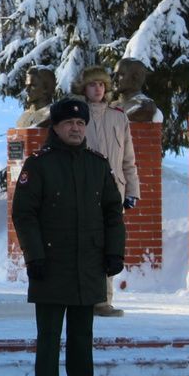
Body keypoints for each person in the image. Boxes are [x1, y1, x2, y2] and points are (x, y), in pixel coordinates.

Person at [11, 98, 125, 376]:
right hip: (50, 261)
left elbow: (113, 212)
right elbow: (24, 214)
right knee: (49, 333)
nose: (75, 129)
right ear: (56, 127)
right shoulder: (39, 164)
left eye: (80, 124)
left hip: (87, 262)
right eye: (68, 124)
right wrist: (34, 256)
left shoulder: (97, 164)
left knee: (81, 333)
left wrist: (114, 252)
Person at [78, 65, 140, 317]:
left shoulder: (118, 116)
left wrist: (132, 190)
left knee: (109, 245)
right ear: (84, 88)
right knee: (85, 244)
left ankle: (103, 300)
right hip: (83, 190)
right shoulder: (77, 115)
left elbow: (128, 158)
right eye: (93, 84)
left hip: (113, 191)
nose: (98, 89)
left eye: (102, 85)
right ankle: (82, 297)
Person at [110, 59, 161, 124]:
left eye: (120, 75)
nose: (114, 79)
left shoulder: (145, 106)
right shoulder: (111, 105)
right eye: (114, 74)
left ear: (135, 78)